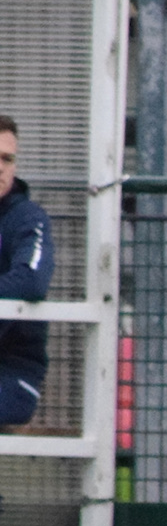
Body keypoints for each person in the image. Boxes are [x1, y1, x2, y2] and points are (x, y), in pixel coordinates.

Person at [0, 117, 52, 430]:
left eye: (7, 159)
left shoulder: (28, 218)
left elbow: (31, 280)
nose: (0, 168)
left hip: (11, 375)